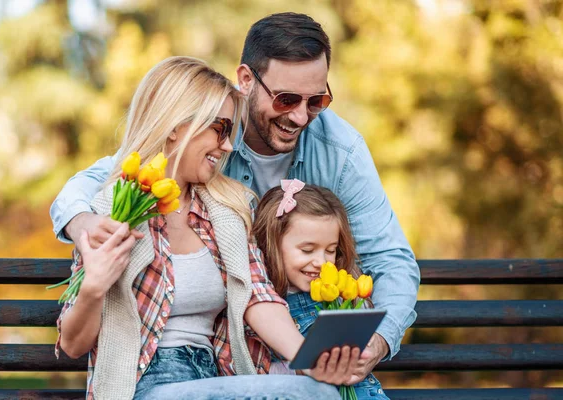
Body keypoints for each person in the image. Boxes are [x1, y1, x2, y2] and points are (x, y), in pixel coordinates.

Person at [50, 12, 420, 391]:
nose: (300, 115)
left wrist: (318, 363)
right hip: (148, 377)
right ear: (177, 127)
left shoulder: (227, 207)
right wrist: (83, 230)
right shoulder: (123, 205)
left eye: (317, 100)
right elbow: (107, 177)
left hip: (224, 369)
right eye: (286, 99)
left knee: (316, 392)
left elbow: (262, 297)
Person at [253, 180, 390, 399]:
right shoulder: (264, 307)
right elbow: (258, 370)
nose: (321, 262)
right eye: (307, 250)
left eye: (330, 250)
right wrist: (301, 368)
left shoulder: (341, 293)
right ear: (271, 245)